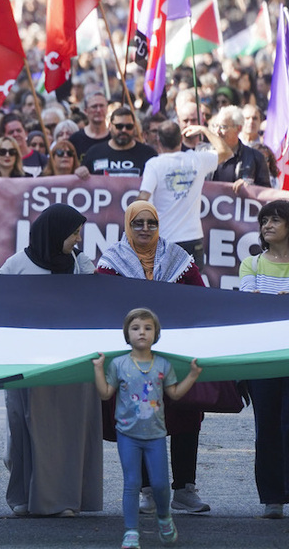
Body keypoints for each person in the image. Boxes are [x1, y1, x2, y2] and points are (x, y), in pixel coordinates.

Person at [95, 201, 210, 517]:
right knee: (139, 416)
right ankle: (146, 490)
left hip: (175, 353)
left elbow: (201, 298)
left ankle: (184, 489)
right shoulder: (111, 263)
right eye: (138, 223)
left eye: (151, 223)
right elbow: (100, 305)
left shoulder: (180, 260)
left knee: (186, 413)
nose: (145, 229)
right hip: (132, 357)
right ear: (127, 226)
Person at [0, 204, 102, 517]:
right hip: (27, 363)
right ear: (53, 233)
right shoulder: (16, 265)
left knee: (68, 431)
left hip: (71, 363)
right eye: (72, 233)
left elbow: (94, 303)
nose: (76, 239)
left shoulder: (81, 263)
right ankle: (25, 497)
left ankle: (63, 500)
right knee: (23, 427)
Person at [93, 308, 202, 549]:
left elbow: (173, 393)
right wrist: (99, 369)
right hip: (127, 435)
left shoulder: (162, 364)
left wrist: (192, 376)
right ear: (126, 334)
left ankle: (164, 518)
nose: (141, 332)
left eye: (147, 328)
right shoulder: (119, 364)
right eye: (135, 328)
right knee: (132, 483)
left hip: (155, 436)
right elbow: (104, 394)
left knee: (161, 484)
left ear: (156, 333)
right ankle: (131, 531)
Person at [238, 199, 289, 518]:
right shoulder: (251, 264)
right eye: (264, 220)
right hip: (264, 360)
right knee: (267, 427)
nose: (267, 225)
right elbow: (247, 305)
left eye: (275, 220)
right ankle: (273, 497)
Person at [138, 122, 230, 268]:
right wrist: (204, 130)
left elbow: (143, 198)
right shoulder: (197, 159)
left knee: (163, 288)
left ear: (158, 141)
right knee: (191, 289)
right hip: (192, 238)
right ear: (181, 140)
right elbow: (226, 152)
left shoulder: (154, 164)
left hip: (164, 239)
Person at [76, 106, 157, 178]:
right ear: (110, 126)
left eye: (129, 127)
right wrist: (80, 172)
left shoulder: (148, 154)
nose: (124, 130)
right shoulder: (94, 152)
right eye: (119, 126)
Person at [210, 105, 272, 189]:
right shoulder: (205, 153)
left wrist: (250, 187)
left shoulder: (255, 157)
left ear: (238, 128)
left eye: (223, 127)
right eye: (215, 126)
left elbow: (266, 191)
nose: (217, 131)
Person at [69, 89, 111, 158]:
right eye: (94, 106)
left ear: (107, 108)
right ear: (86, 111)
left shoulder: (114, 137)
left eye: (101, 106)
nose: (98, 110)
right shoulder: (75, 139)